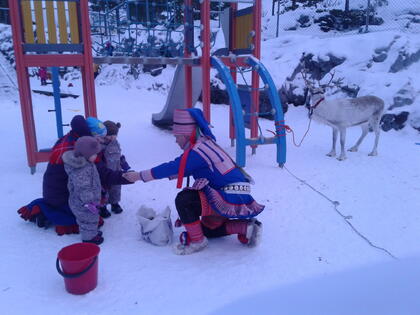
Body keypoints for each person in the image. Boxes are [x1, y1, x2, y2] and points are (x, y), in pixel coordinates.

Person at [124, 109, 264, 255]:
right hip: (234, 192)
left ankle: (197, 242)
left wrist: (139, 176)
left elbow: (173, 167)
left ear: (185, 135)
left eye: (177, 136)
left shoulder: (198, 151)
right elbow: (182, 169)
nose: (176, 140)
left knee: (185, 200)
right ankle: (246, 228)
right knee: (208, 229)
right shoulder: (204, 144)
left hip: (229, 195)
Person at [17, 115, 132, 235]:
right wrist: (127, 177)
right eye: (99, 139)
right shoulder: (81, 153)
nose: (102, 142)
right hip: (62, 195)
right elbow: (100, 175)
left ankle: (48, 210)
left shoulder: (71, 139)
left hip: (53, 191)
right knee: (88, 219)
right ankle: (46, 214)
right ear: (91, 135)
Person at [63, 136, 103, 244]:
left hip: (87, 200)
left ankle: (92, 232)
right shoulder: (80, 169)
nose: (96, 156)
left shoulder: (86, 164)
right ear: (85, 154)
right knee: (88, 219)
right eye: (94, 154)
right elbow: (83, 187)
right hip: (84, 202)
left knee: (92, 219)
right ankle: (89, 238)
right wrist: (89, 202)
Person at [98, 120, 130, 218]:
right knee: (104, 190)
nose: (112, 137)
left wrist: (124, 164)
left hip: (116, 170)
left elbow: (119, 155)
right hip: (105, 173)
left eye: (114, 135)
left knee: (116, 188)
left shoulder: (116, 143)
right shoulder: (100, 145)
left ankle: (114, 204)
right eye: (109, 135)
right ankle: (102, 207)